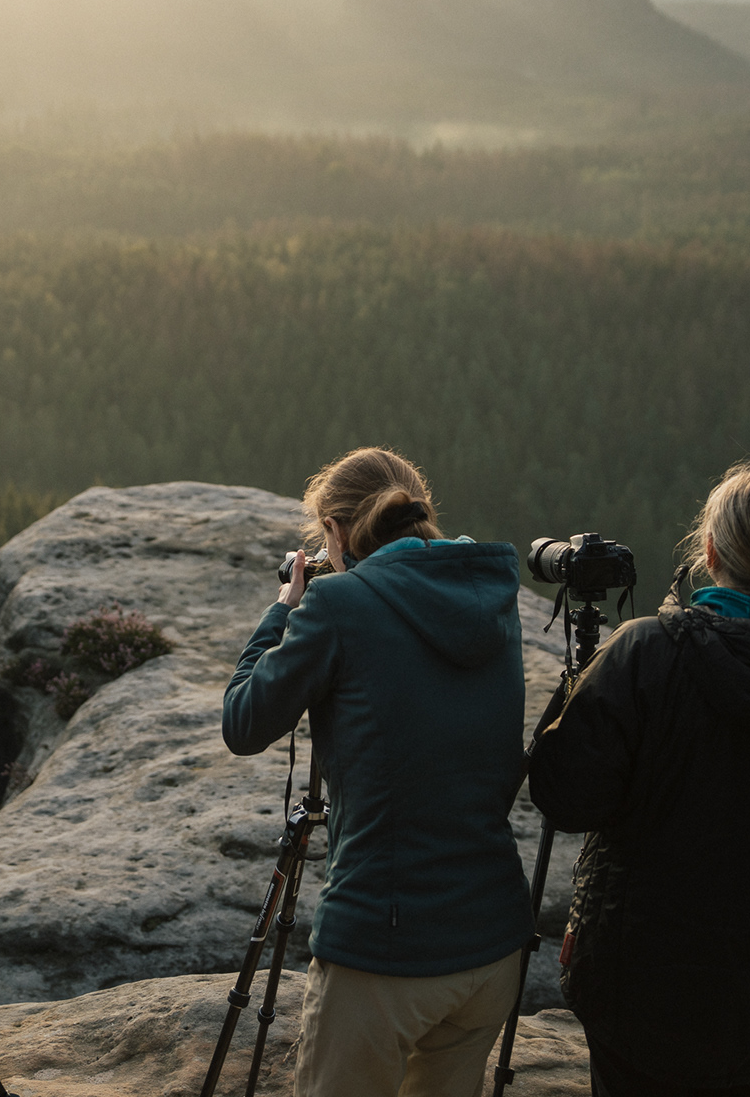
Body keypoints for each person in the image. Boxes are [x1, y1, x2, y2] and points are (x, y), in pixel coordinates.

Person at [529, 458, 750, 1097]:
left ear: (708, 551)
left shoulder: (647, 652)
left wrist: (579, 686)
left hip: (637, 980)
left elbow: (565, 795)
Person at [223, 446, 533, 1097]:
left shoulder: (339, 607)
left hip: (387, 949)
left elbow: (244, 722)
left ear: (336, 533)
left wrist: (285, 609)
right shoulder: (491, 594)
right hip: (493, 942)